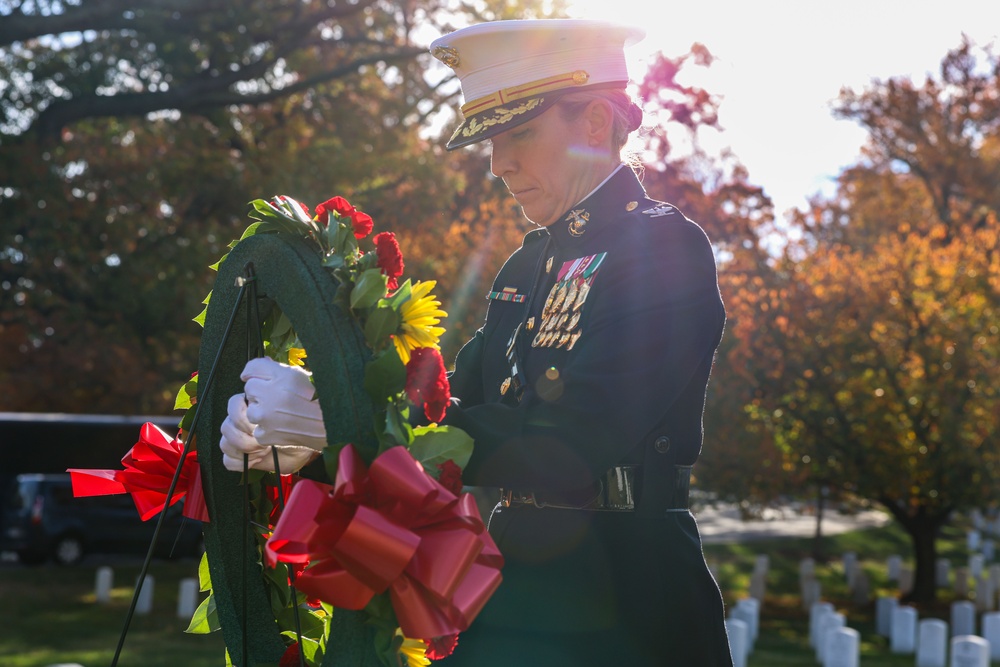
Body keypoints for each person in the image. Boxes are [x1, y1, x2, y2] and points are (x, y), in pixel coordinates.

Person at [220, 18, 733, 667]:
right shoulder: (528, 266)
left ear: (597, 124)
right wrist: (314, 438)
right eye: (493, 139)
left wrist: (339, 420)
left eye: (521, 133)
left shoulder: (663, 249)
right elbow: (449, 411)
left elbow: (579, 434)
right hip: (517, 575)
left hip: (629, 593)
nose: (499, 163)